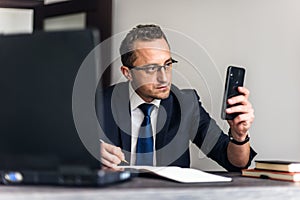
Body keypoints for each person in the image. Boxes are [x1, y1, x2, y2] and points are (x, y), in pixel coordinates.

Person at [96, 24, 256, 171]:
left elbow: (235, 163)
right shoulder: (98, 104)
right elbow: (73, 155)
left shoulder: (187, 104)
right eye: (152, 68)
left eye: (168, 64)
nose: (164, 78)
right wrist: (89, 155)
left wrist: (239, 135)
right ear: (127, 73)